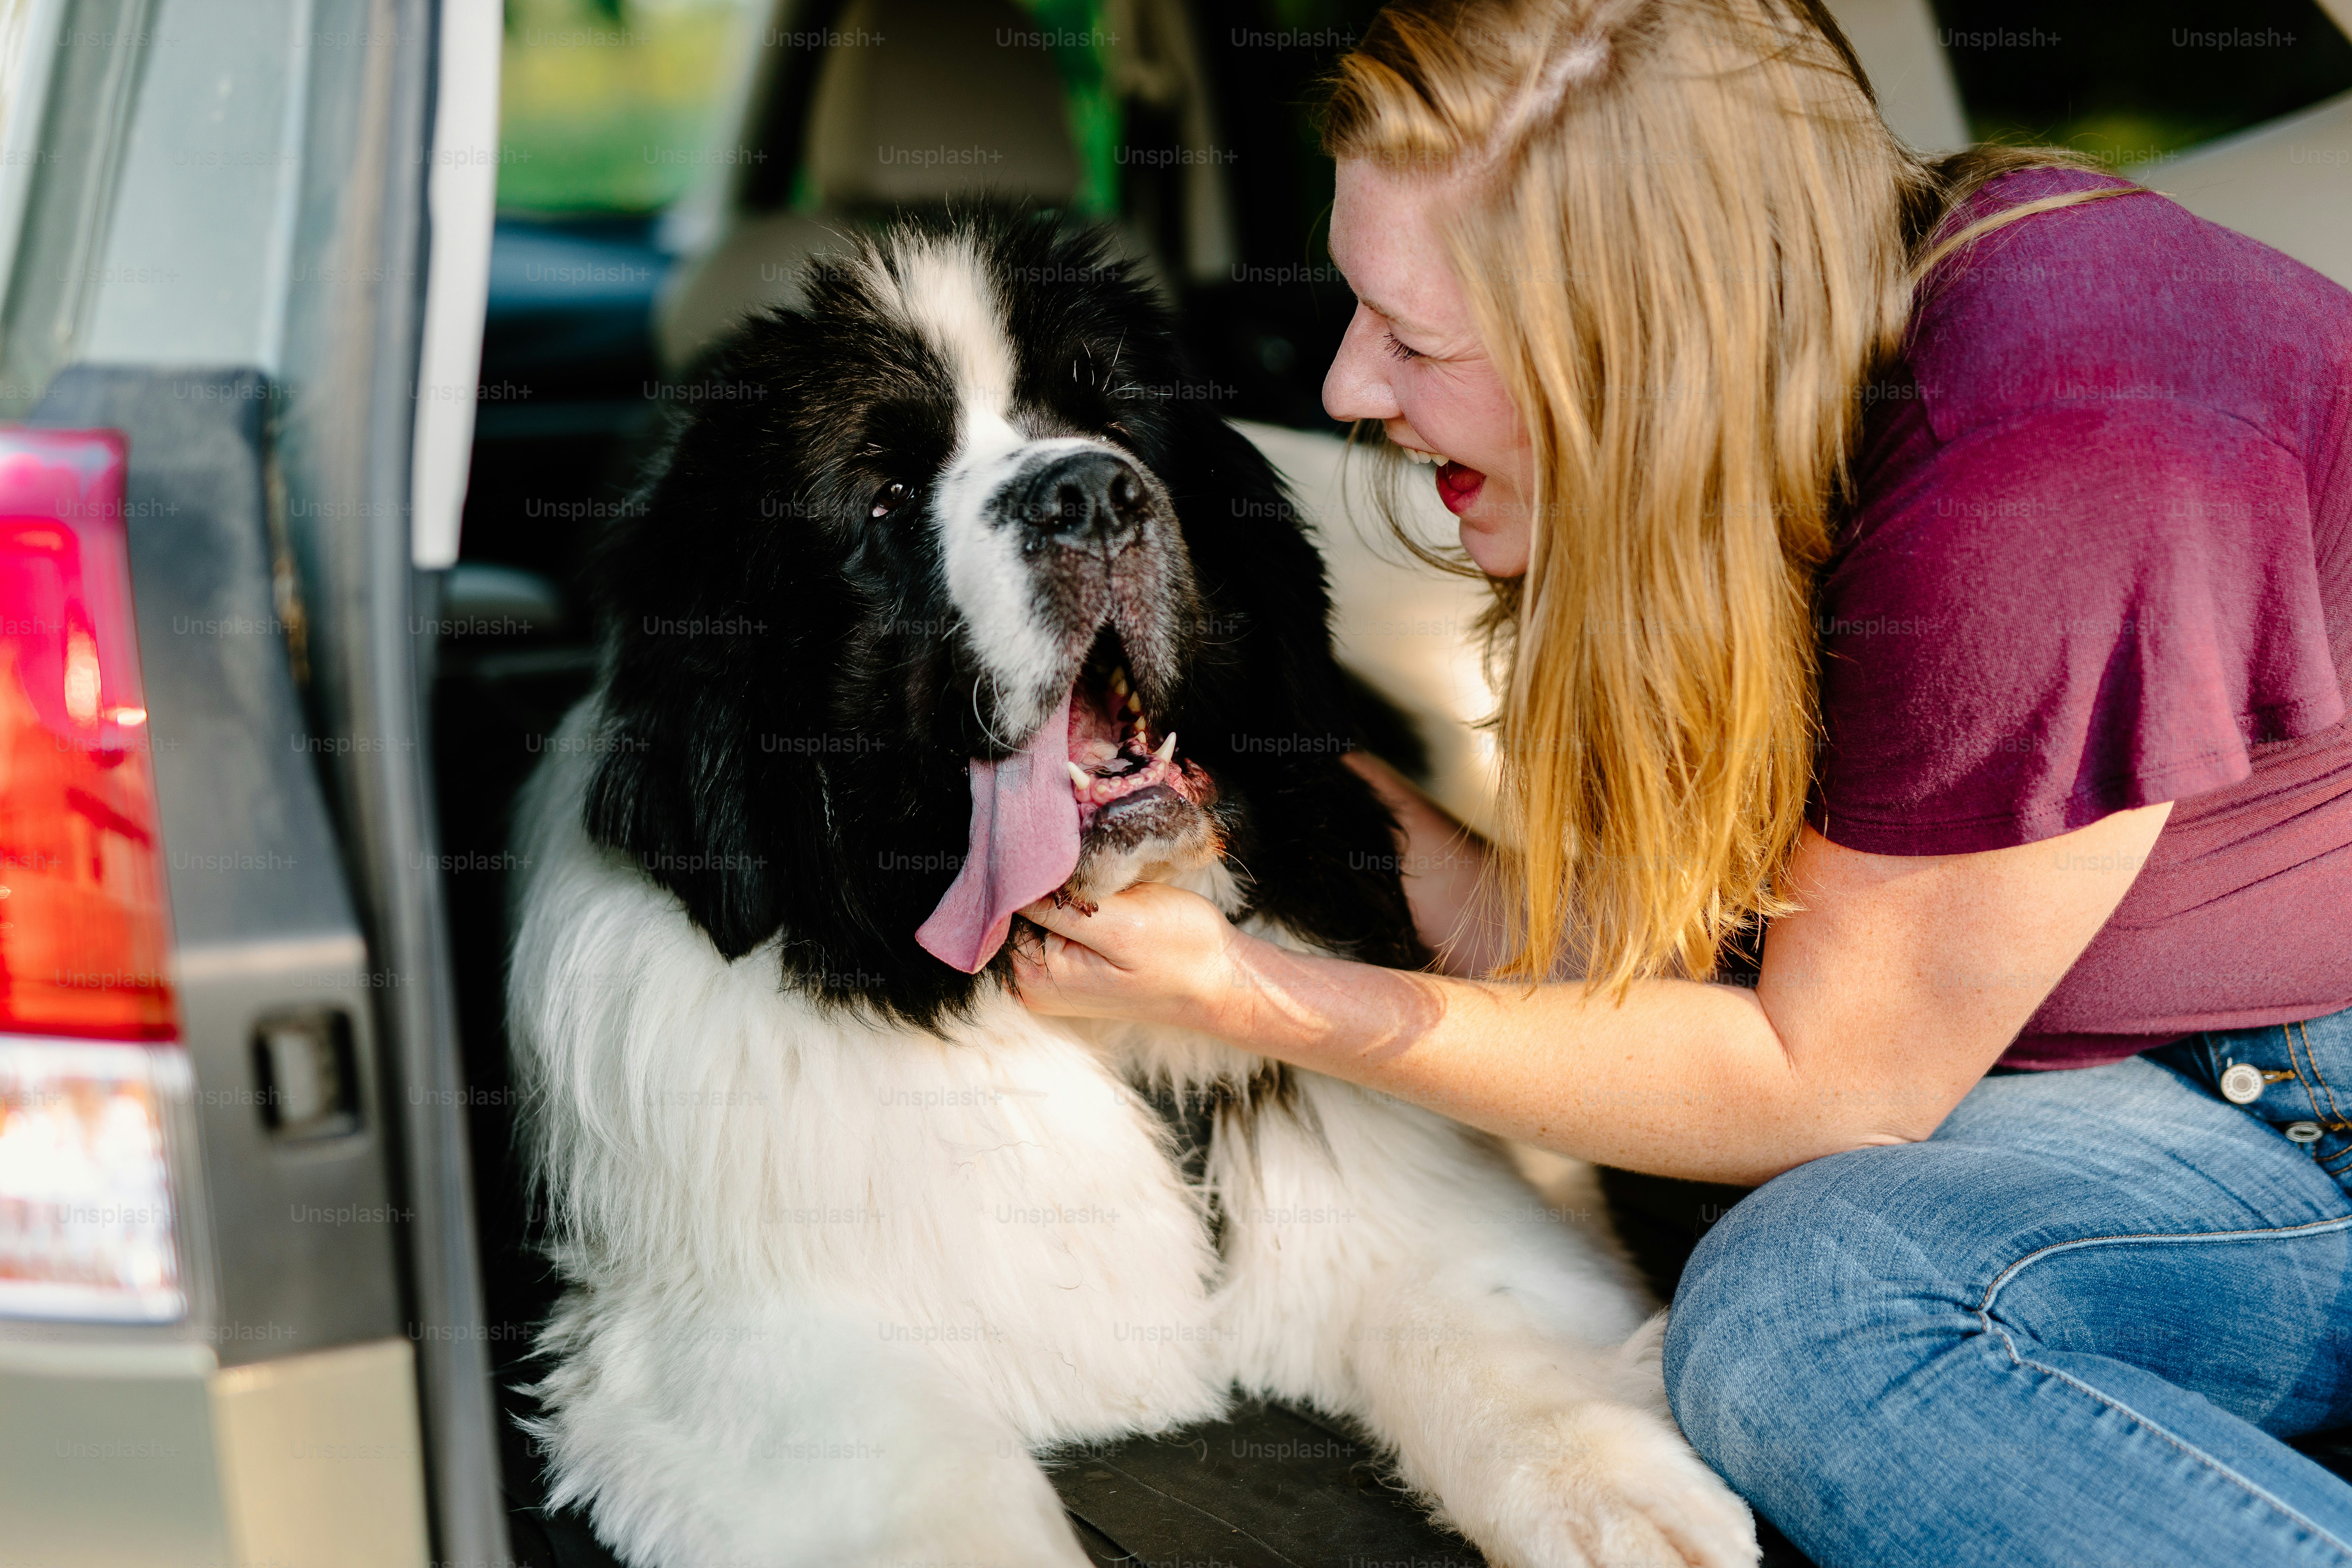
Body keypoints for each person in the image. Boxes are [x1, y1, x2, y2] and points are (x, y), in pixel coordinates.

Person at [1009, 0, 2352, 1563]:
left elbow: (1825, 1077)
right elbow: (1655, 971)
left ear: (1635, 342)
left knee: (1816, 1320)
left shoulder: (2060, 448)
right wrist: (1268, 809)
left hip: (2295, 1109)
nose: (1347, 386)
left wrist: (1249, 991)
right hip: (2134, 1077)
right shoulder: (1834, 364)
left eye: (1417, 338)